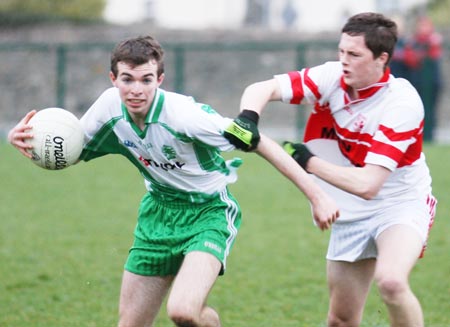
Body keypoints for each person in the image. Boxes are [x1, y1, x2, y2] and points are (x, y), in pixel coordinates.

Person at [8, 35, 339, 327]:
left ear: (160, 79)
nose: (136, 89)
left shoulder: (185, 116)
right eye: (127, 79)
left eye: (146, 80)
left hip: (208, 214)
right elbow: (70, 152)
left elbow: (258, 141)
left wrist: (316, 195)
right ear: (113, 79)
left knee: (183, 312)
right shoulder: (108, 109)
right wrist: (29, 142)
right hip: (157, 215)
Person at [226, 12, 437, 327]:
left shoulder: (402, 103)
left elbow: (369, 184)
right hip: (349, 208)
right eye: (341, 51)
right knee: (341, 319)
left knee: (391, 283)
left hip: (399, 203)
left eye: (354, 54)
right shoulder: (333, 76)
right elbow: (263, 88)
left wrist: (308, 161)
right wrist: (247, 117)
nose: (344, 61)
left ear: (382, 59)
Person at [390, 15, 443, 142]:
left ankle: (428, 135)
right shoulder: (411, 42)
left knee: (428, 110)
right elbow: (411, 59)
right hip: (415, 82)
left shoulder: (431, 41)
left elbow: (431, 56)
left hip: (428, 82)